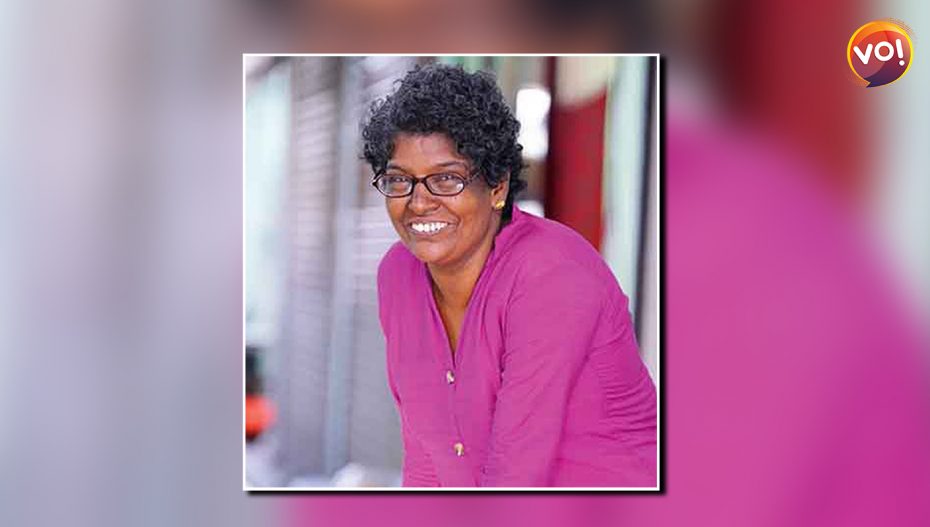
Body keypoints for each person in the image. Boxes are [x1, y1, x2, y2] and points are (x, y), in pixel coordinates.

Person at [363, 64, 656, 487]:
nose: (418, 202)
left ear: (497, 187)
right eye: (398, 180)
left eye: (447, 179)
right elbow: (426, 456)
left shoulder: (551, 274)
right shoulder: (398, 275)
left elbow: (517, 473)